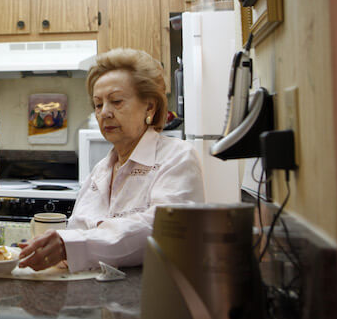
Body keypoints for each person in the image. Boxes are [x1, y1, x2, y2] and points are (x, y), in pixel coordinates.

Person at [19, 48, 205, 273]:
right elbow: (77, 231)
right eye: (98, 105)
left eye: (116, 101)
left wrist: (72, 245)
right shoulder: (100, 171)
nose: (104, 113)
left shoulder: (177, 157)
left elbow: (161, 228)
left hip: (150, 299)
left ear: (150, 106)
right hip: (93, 300)